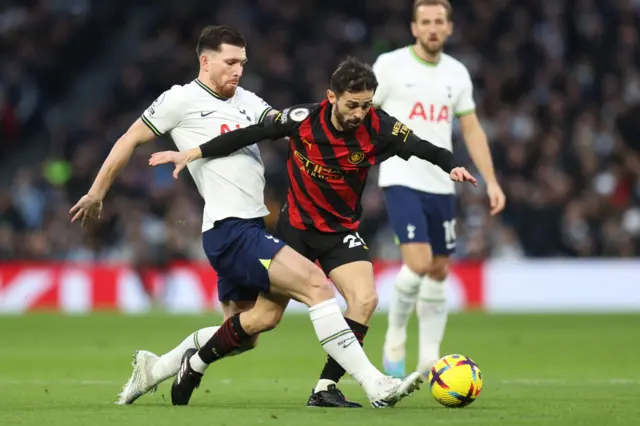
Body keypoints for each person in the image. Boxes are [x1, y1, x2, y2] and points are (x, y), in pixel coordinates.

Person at [70, 25, 423, 409]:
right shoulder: (179, 100)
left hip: (255, 226)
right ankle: (373, 384)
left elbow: (294, 125)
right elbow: (128, 140)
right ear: (206, 61)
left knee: (251, 327)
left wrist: (350, 125)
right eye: (231, 62)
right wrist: (96, 192)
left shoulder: (248, 99)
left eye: (243, 62)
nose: (238, 69)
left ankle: (155, 368)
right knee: (316, 285)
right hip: (228, 228)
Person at [149, 56, 477, 407]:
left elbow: (423, 146)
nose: (359, 114)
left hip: (340, 232)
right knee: (264, 318)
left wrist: (452, 165)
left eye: (366, 105)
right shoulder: (302, 120)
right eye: (352, 105)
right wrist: (193, 152)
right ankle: (196, 364)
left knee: (365, 299)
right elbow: (252, 133)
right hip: (295, 233)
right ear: (331, 97)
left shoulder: (380, 128)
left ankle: (325, 388)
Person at [372, 0, 507, 378]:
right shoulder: (391, 66)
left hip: (442, 184)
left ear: (448, 29)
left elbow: (471, 128)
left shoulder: (457, 73)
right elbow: (367, 112)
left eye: (439, 22)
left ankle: (429, 359)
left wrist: (492, 180)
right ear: (414, 28)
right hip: (401, 177)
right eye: (425, 21)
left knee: (439, 270)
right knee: (417, 263)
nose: (432, 28)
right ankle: (395, 336)